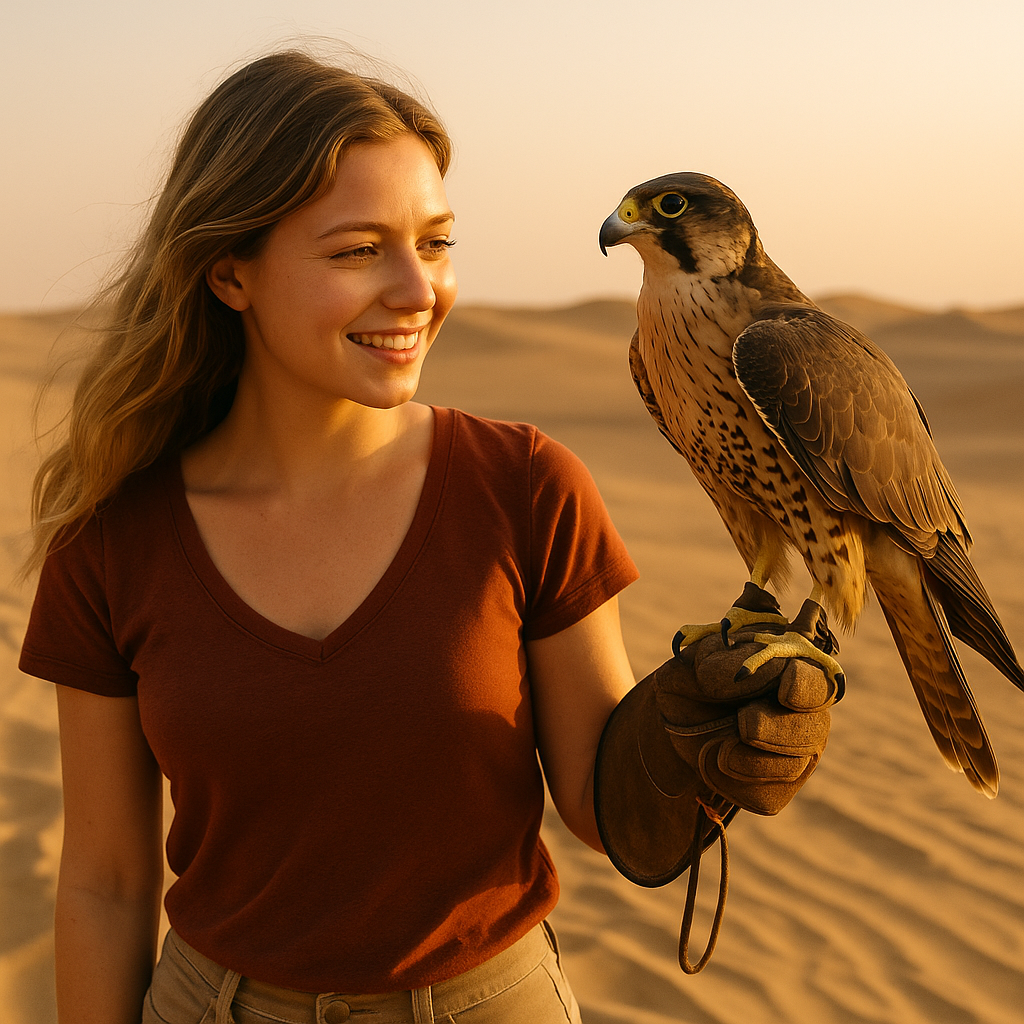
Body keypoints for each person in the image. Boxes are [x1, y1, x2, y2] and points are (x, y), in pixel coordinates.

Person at [19, 50, 834, 1024]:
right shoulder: (114, 537)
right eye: (358, 251)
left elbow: (603, 801)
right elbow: (104, 882)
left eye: (436, 243)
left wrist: (696, 746)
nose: (418, 291)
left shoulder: (524, 487)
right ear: (230, 273)